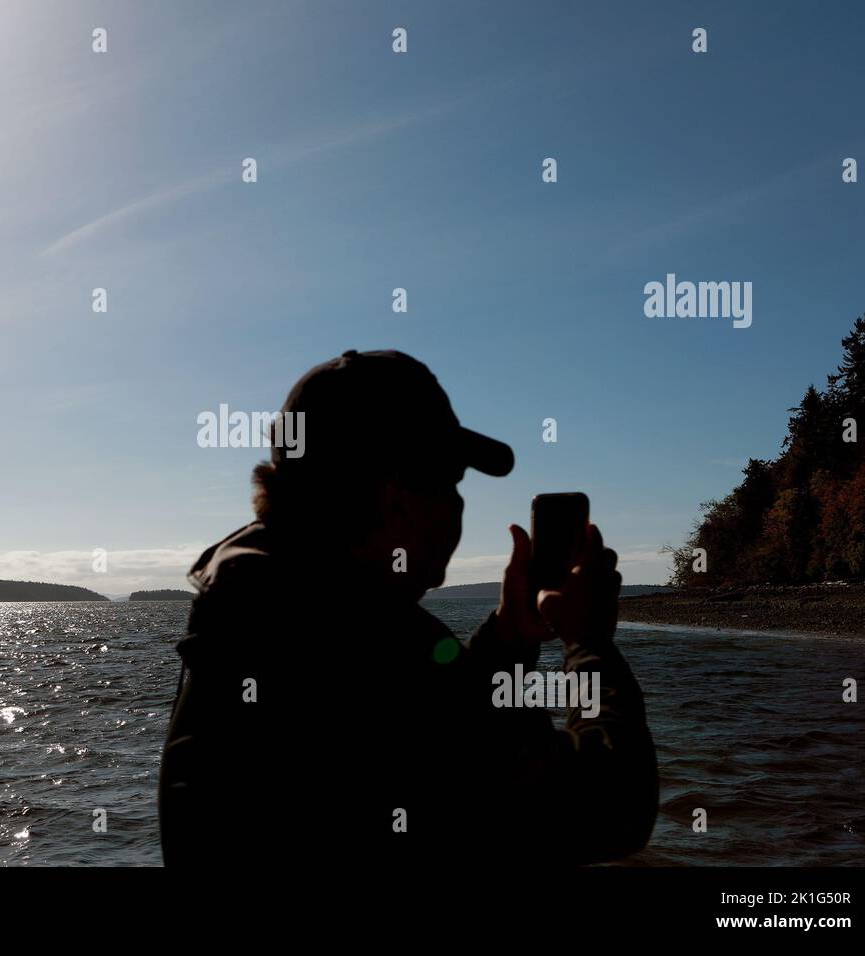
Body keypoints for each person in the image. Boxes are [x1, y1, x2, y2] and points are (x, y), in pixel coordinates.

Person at [159, 349, 658, 867]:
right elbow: (610, 807)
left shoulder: (258, 612)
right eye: (453, 486)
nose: (460, 507)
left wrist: (511, 638)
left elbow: (442, 739)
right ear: (398, 500)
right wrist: (590, 644)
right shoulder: (357, 640)